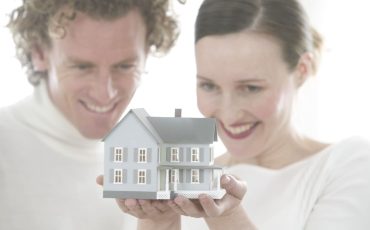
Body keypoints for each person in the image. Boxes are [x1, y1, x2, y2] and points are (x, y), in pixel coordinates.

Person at [106, 0, 370, 229]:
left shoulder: (346, 165)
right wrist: (159, 222)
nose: (229, 114)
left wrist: (227, 217)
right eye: (209, 85)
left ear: (301, 70)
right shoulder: (167, 182)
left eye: (251, 88)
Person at [0, 0, 178, 229]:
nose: (105, 93)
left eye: (124, 66)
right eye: (82, 67)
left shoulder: (154, 161)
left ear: (147, 52)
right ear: (39, 54)